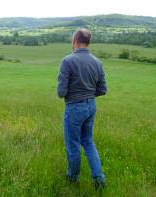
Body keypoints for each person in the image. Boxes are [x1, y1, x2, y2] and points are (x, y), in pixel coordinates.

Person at [57, 28, 107, 189]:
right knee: (88, 141)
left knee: (73, 145)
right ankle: (99, 179)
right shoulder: (98, 62)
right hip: (91, 106)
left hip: (74, 108)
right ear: (88, 43)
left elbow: (61, 92)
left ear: (74, 41)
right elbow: (102, 90)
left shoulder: (67, 61)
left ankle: (72, 179)